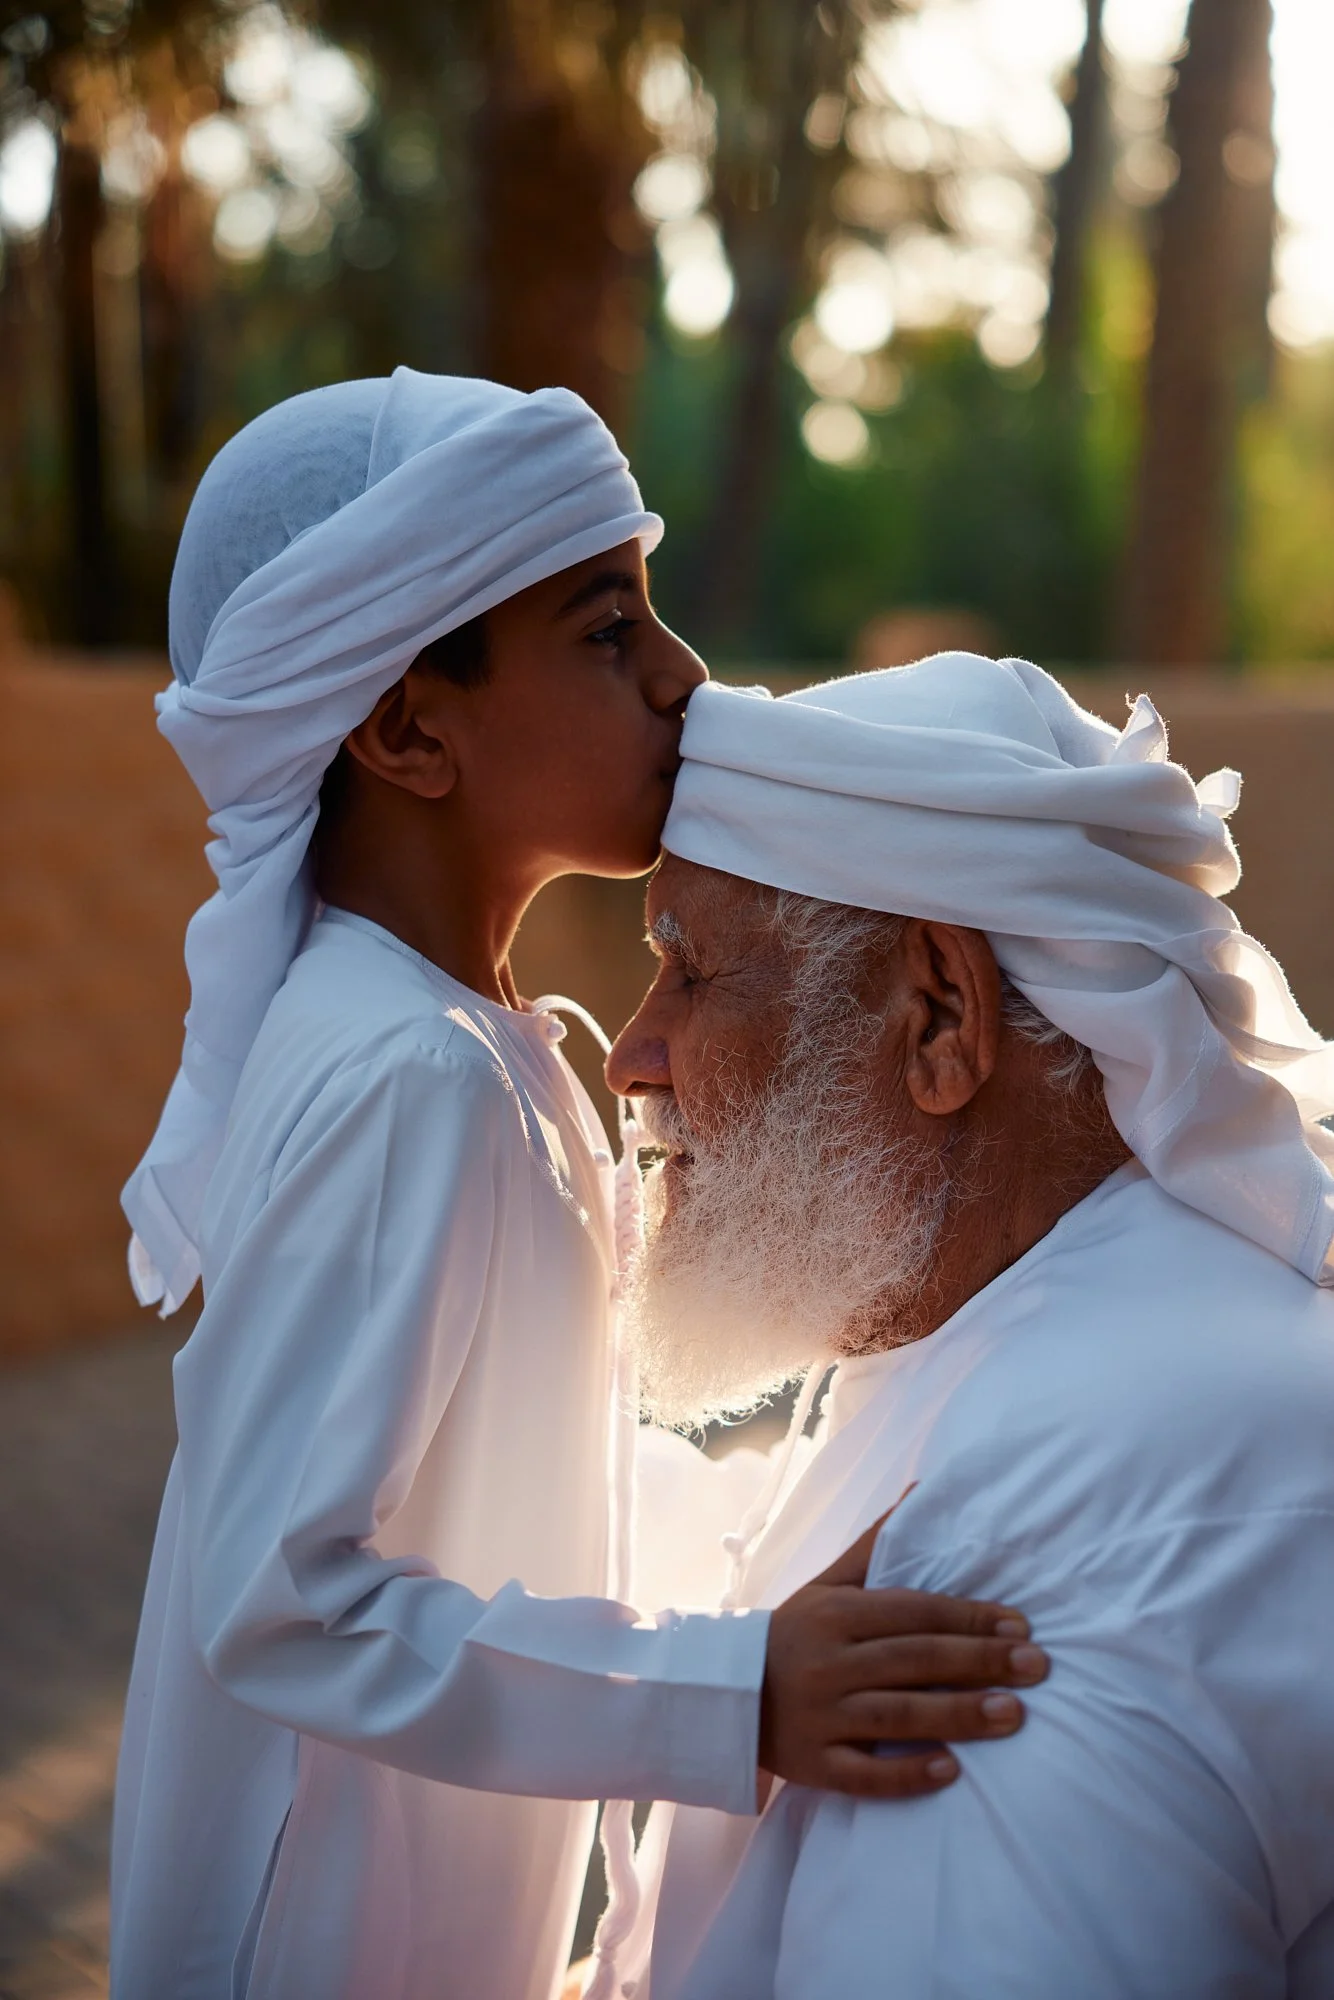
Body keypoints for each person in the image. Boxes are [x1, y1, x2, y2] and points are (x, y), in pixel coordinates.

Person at [109, 376, 1044, 2000]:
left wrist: (772, 1563)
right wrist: (729, 1696)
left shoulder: (489, 1047)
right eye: (608, 625)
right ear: (408, 728)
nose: (682, 674)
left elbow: (514, 1485)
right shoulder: (406, 1073)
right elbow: (281, 1602)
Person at [602, 652, 1334, 1999]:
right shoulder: (1031, 1316)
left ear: (938, 1014)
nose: (630, 1056)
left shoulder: (1048, 1520)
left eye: (689, 973)